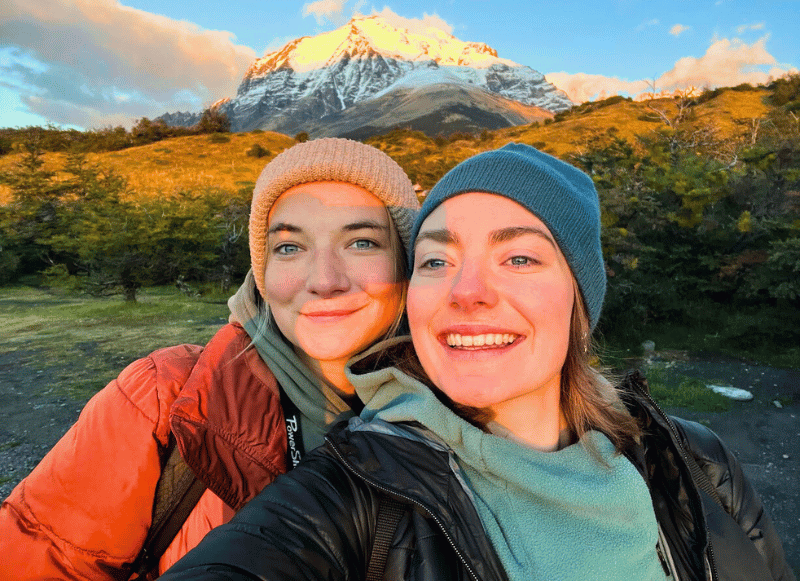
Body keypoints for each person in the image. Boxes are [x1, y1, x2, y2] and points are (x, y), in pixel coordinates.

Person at [160, 144, 795, 581]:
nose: (466, 291)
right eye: (435, 260)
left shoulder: (692, 459)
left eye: (519, 258)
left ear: (580, 296)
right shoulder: (355, 491)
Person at [0, 137, 420, 580]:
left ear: (407, 263)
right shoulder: (165, 396)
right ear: (262, 271)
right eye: (289, 248)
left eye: (361, 243)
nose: (324, 280)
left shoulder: (471, 412)